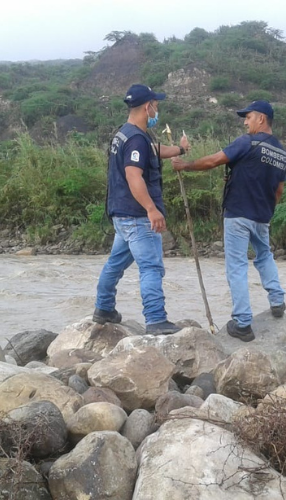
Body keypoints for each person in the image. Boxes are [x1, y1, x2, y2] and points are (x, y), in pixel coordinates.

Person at [172, 100, 286, 342]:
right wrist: (268, 210)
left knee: (236, 266)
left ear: (261, 119)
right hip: (262, 216)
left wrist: (186, 165)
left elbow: (214, 160)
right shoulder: (282, 153)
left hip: (238, 213)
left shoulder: (247, 142)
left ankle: (243, 323)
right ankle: (277, 300)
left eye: (248, 117)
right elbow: (279, 190)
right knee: (264, 255)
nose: (245, 122)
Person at [93, 84, 190, 335]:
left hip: (121, 214)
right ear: (147, 107)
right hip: (137, 216)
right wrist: (151, 209)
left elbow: (155, 151)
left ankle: (104, 309)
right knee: (151, 267)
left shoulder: (126, 134)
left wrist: (180, 150)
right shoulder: (136, 138)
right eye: (156, 105)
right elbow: (134, 176)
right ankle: (156, 320)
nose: (157, 110)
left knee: (115, 263)